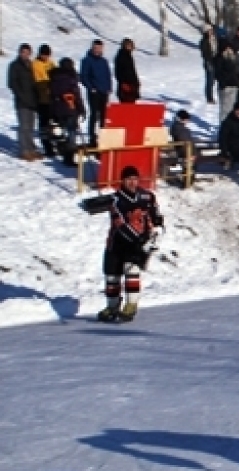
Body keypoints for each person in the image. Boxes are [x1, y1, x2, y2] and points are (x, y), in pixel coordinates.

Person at [98, 165, 163, 323]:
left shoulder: (147, 196)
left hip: (139, 244)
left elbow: (156, 216)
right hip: (117, 243)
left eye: (135, 179)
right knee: (112, 277)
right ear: (122, 180)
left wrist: (157, 231)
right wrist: (137, 239)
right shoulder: (115, 200)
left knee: (131, 270)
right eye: (129, 179)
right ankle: (112, 306)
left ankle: (131, 305)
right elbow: (120, 223)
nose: (132, 183)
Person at [49, 57, 86, 166]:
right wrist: (81, 108)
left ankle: (64, 153)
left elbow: (52, 95)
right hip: (70, 108)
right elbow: (76, 95)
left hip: (59, 109)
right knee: (71, 133)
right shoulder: (71, 78)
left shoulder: (54, 78)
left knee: (65, 133)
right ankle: (69, 157)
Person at [8, 43, 40, 160]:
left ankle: (31, 148)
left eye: (27, 53)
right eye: (23, 52)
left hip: (32, 100)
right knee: (24, 126)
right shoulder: (14, 65)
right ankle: (24, 150)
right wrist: (21, 96)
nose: (25, 55)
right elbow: (12, 83)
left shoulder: (31, 65)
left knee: (31, 126)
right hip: (22, 101)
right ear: (20, 52)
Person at [80, 39, 112, 147]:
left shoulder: (104, 61)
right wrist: (90, 87)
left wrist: (109, 88)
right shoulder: (87, 60)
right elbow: (84, 76)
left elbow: (108, 75)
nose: (97, 50)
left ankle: (103, 137)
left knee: (104, 115)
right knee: (94, 114)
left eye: (99, 48)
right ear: (92, 48)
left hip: (104, 91)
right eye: (95, 48)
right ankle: (92, 138)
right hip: (94, 91)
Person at [32, 44, 56, 157]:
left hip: (51, 99)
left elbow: (55, 74)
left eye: (47, 55)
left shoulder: (51, 63)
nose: (46, 57)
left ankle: (53, 144)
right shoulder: (35, 64)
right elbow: (38, 81)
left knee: (52, 124)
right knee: (44, 124)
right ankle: (47, 147)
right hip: (41, 99)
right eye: (44, 54)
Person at [215, 44, 239, 122]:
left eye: (229, 49)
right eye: (226, 49)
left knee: (232, 108)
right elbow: (218, 73)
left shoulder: (235, 59)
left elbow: (238, 72)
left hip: (234, 86)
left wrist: (238, 83)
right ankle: (223, 126)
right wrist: (223, 83)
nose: (228, 51)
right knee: (224, 109)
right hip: (225, 87)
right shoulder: (220, 59)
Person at [114, 38, 140, 103]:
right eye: (129, 45)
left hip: (132, 86)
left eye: (131, 45)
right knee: (126, 108)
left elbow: (132, 71)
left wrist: (136, 82)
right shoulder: (121, 56)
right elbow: (118, 72)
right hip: (125, 87)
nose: (131, 47)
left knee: (131, 108)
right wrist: (123, 83)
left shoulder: (129, 56)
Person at [200, 25, 219, 104]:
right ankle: (209, 98)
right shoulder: (204, 41)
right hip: (209, 62)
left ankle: (216, 96)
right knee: (210, 80)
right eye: (209, 30)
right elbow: (204, 53)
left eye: (211, 30)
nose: (211, 32)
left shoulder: (215, 39)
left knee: (215, 80)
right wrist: (210, 60)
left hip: (216, 61)